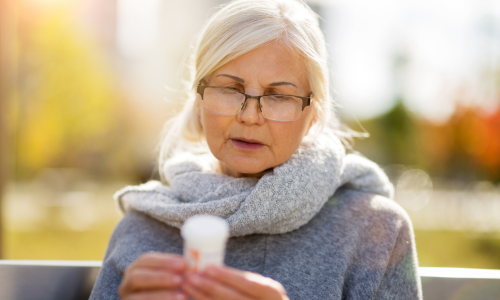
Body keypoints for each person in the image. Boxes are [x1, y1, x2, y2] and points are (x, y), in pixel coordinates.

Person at [89, 0, 422, 299]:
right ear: (200, 99)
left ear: (312, 116)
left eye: (279, 96)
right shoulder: (140, 231)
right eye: (230, 89)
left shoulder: (375, 230)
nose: (249, 116)